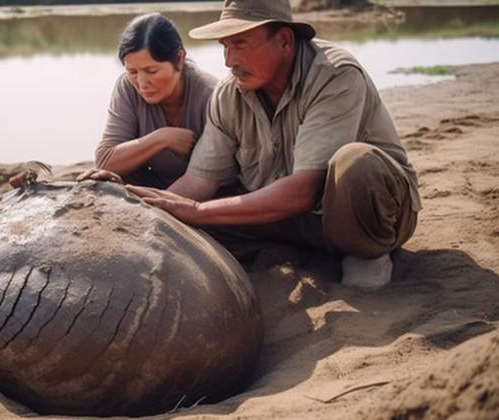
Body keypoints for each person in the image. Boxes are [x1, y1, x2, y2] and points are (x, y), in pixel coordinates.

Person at [122, 0, 422, 289]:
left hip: (360, 214)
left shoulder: (335, 75)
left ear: (285, 41)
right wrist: (153, 213)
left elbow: (305, 188)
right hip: (289, 218)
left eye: (240, 44)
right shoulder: (229, 94)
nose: (229, 61)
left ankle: (366, 251)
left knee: (356, 163)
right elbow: (199, 180)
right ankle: (299, 249)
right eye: (225, 46)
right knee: (201, 212)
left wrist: (198, 210)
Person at [83, 13, 218, 189]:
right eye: (132, 72)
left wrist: (158, 202)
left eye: (152, 71)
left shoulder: (212, 95)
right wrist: (162, 138)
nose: (141, 83)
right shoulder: (128, 87)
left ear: (179, 59)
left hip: (205, 192)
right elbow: (105, 161)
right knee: (100, 178)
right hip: (155, 185)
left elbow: (210, 178)